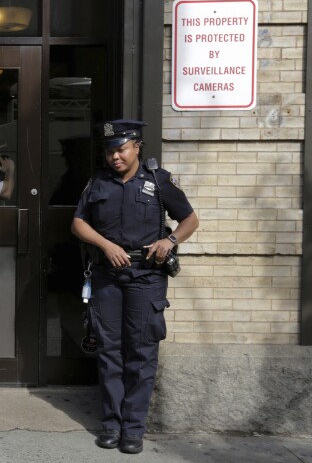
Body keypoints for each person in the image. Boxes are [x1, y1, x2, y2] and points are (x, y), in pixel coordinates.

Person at [71, 119, 199, 455]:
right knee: (110, 351)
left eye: (121, 149)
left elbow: (190, 219)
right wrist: (106, 245)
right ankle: (111, 425)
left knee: (141, 352)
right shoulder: (98, 182)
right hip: (108, 276)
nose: (114, 157)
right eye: (109, 150)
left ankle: (133, 428)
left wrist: (170, 240)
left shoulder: (158, 181)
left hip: (146, 277)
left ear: (136, 147)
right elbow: (78, 223)